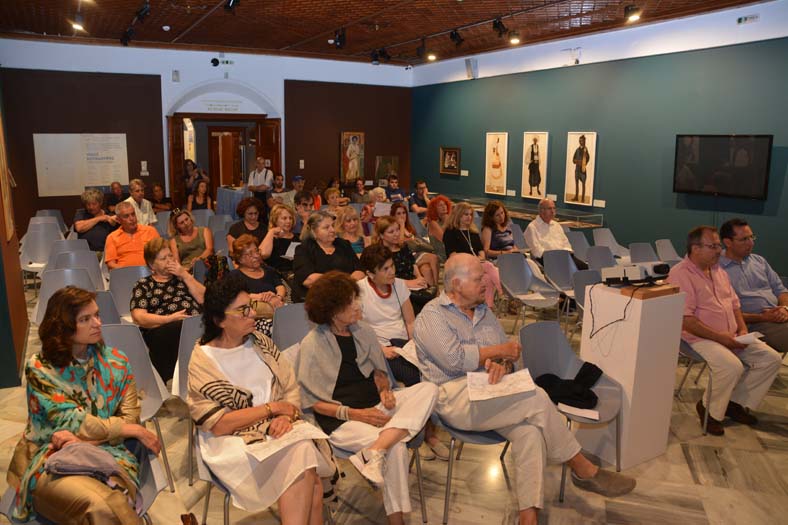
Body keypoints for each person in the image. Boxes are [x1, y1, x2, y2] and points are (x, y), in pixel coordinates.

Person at [414, 254, 636, 525]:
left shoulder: (484, 312)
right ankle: (582, 468)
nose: (486, 283)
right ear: (457, 284)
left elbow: (510, 356)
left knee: (530, 432)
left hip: (490, 392)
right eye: (478, 279)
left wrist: (503, 365)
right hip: (452, 397)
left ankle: (527, 518)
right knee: (536, 395)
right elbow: (455, 360)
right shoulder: (432, 316)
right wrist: (499, 351)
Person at [187, 275, 335, 523]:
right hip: (233, 441)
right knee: (306, 465)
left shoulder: (261, 343)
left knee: (305, 464)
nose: (253, 314)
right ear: (220, 320)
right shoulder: (203, 360)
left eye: (251, 306)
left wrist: (287, 417)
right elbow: (219, 424)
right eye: (242, 310)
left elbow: (290, 388)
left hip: (278, 430)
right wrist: (272, 409)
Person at [294, 271, 438, 525]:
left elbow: (379, 372)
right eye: (350, 302)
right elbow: (311, 402)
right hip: (342, 420)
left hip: (377, 407)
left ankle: (374, 451)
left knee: (429, 389)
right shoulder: (312, 344)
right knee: (396, 447)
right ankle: (397, 520)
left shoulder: (364, 331)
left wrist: (384, 390)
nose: (357, 305)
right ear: (332, 311)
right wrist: (357, 414)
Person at [7, 287, 161, 524]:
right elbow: (73, 422)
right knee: (103, 506)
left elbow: (129, 418)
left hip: (112, 457)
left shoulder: (117, 362)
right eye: (85, 319)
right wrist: (131, 430)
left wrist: (87, 441)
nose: (97, 323)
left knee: (111, 505)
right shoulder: (41, 369)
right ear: (63, 326)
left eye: (97, 315)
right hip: (52, 457)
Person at [667, 225, 781, 436]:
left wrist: (743, 330)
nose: (719, 250)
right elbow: (687, 321)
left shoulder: (718, 270)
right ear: (695, 248)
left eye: (719, 245)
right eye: (713, 246)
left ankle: (733, 403)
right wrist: (721, 338)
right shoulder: (680, 274)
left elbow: (735, 305)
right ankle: (709, 410)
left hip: (731, 334)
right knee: (731, 366)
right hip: (698, 337)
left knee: (770, 359)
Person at [358, 245, 449, 460]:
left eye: (392, 266)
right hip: (379, 347)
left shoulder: (399, 285)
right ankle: (418, 437)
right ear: (370, 274)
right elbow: (359, 331)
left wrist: (415, 343)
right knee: (415, 379)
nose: (392, 272)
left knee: (433, 371)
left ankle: (429, 433)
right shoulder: (359, 291)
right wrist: (381, 349)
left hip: (403, 344)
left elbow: (409, 321)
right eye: (385, 269)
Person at [130, 238, 205, 381]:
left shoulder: (184, 278)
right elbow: (138, 317)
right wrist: (169, 319)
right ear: (152, 265)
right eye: (163, 258)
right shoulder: (144, 285)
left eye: (170, 256)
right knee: (176, 329)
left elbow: (205, 299)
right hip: (164, 329)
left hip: (196, 324)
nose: (170, 260)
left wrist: (185, 275)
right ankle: (173, 380)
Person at [720, 218, 788, 356]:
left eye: (752, 237)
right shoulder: (717, 269)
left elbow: (781, 291)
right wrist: (763, 317)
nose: (751, 243)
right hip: (752, 324)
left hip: (778, 316)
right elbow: (725, 312)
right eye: (744, 239)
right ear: (728, 242)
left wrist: (784, 308)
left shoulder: (759, 261)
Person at [292, 211, 364, 303]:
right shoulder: (304, 249)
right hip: (315, 300)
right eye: (326, 227)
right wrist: (344, 282)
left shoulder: (343, 244)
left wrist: (344, 285)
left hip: (347, 296)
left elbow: (360, 270)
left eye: (333, 226)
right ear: (314, 231)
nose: (332, 230)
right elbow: (309, 280)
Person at [442, 202, 502, 308]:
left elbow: (481, 252)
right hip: (460, 266)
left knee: (487, 278)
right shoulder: (450, 232)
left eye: (470, 215)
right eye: (466, 214)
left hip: (477, 264)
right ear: (458, 215)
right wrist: (473, 260)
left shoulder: (473, 232)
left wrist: (476, 260)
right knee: (489, 266)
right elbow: (453, 255)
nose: (469, 217)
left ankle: (487, 307)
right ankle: (502, 291)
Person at [229, 234, 286, 336]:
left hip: (277, 308)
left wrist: (278, 297)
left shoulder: (268, 270)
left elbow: (280, 286)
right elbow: (234, 298)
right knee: (279, 327)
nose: (256, 256)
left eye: (256, 251)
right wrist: (259, 297)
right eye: (250, 254)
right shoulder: (235, 276)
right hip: (254, 319)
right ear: (240, 259)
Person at [524, 199, 588, 269]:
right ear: (541, 210)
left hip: (563, 256)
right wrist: (554, 255)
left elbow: (566, 244)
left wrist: (565, 253)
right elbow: (536, 251)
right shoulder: (532, 227)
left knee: (585, 267)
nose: (552, 211)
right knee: (568, 269)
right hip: (548, 259)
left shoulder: (556, 225)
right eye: (549, 208)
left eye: (554, 208)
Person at [104, 201, 160, 270]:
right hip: (124, 274)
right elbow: (111, 264)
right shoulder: (112, 237)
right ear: (118, 220)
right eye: (126, 216)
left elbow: (162, 254)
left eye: (133, 214)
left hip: (149, 272)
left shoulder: (150, 231)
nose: (131, 218)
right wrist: (129, 272)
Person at [73, 188, 118, 252]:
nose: (91, 207)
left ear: (100, 203)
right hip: (85, 252)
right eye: (88, 204)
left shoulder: (109, 215)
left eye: (94, 204)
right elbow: (79, 228)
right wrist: (99, 218)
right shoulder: (81, 213)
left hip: (105, 252)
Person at [260, 204, 298, 278]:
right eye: (284, 218)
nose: (288, 221)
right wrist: (271, 231)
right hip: (275, 276)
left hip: (295, 274)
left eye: (290, 218)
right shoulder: (269, 237)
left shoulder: (297, 237)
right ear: (275, 220)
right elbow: (263, 254)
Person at [248, 157, 274, 222]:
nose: (261, 165)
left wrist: (255, 188)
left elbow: (266, 187)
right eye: (259, 163)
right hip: (256, 197)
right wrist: (260, 187)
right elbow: (249, 188)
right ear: (256, 164)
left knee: (266, 217)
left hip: (266, 197)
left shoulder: (269, 172)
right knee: (257, 215)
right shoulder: (252, 173)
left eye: (263, 163)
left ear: (264, 164)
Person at [572, 135, 590, 203]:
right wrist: (577, 161)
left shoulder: (585, 150)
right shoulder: (577, 150)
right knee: (576, 183)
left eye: (581, 140)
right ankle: (576, 197)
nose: (580, 142)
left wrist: (583, 163)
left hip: (583, 170)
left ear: (584, 141)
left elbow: (587, 159)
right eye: (579, 140)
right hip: (577, 169)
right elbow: (573, 160)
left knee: (583, 184)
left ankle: (582, 198)